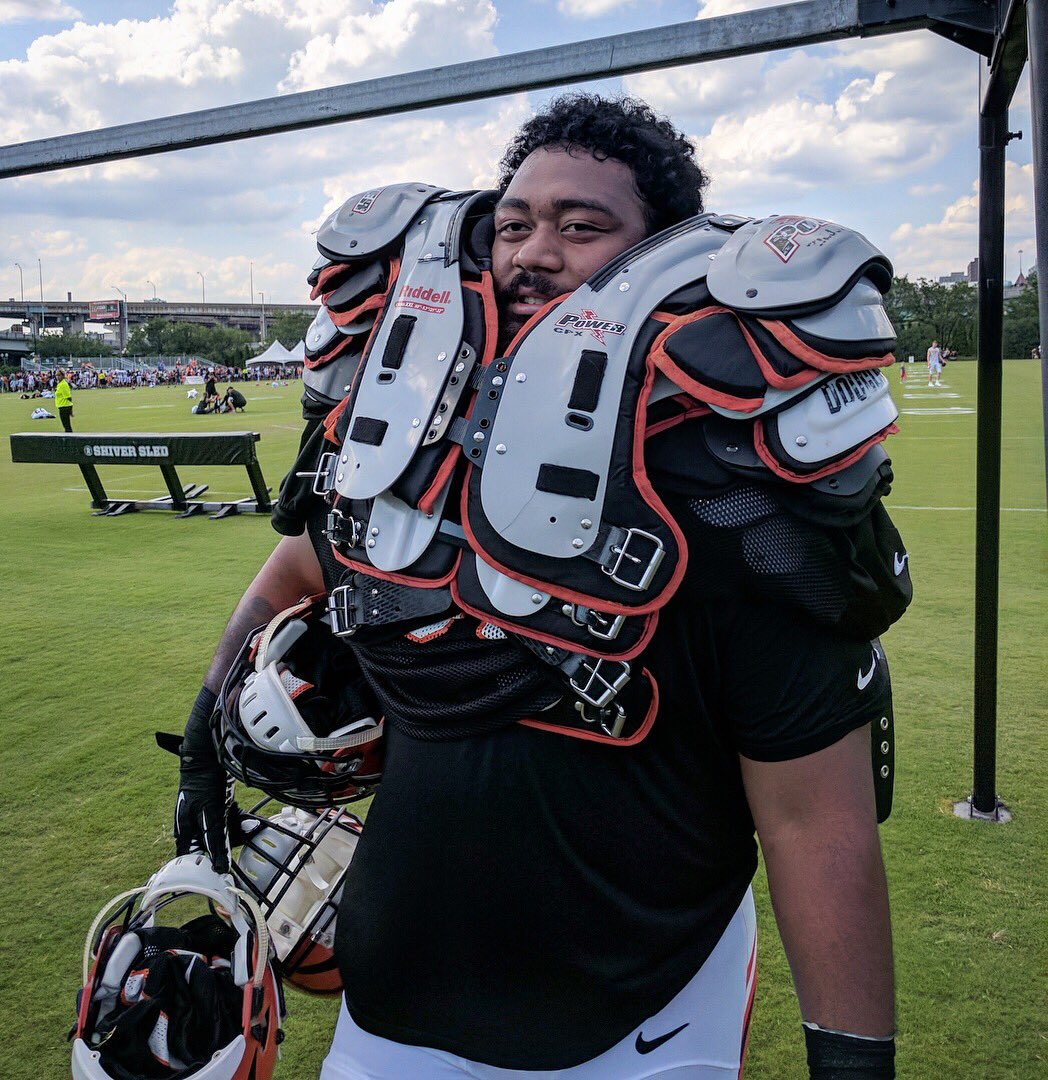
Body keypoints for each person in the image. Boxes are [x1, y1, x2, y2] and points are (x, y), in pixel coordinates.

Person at [171, 94, 904, 1079]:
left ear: (668, 253)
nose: (533, 252)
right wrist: (212, 702)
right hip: (390, 993)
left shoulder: (740, 492)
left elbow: (818, 822)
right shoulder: (416, 432)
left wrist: (853, 1063)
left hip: (642, 1010)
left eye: (581, 225)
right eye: (514, 223)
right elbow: (311, 556)